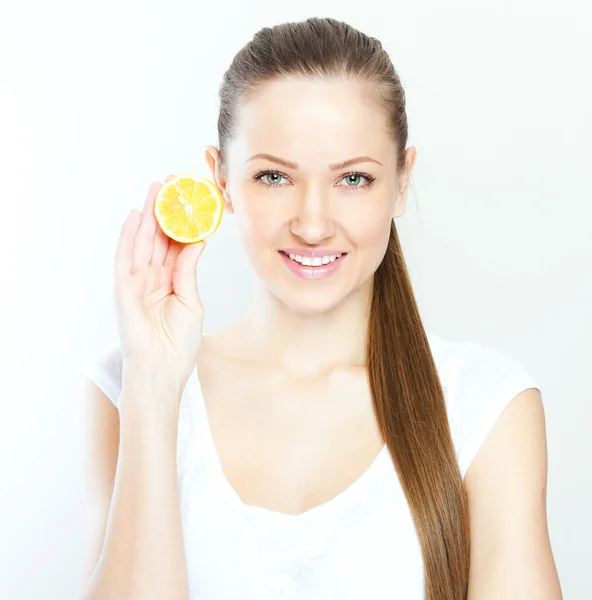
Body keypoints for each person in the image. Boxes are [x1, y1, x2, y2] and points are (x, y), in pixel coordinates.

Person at [78, 16, 562, 600]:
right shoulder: (125, 388)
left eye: (353, 179)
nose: (311, 224)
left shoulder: (486, 407)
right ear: (220, 181)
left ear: (402, 182)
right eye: (275, 176)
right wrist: (153, 387)